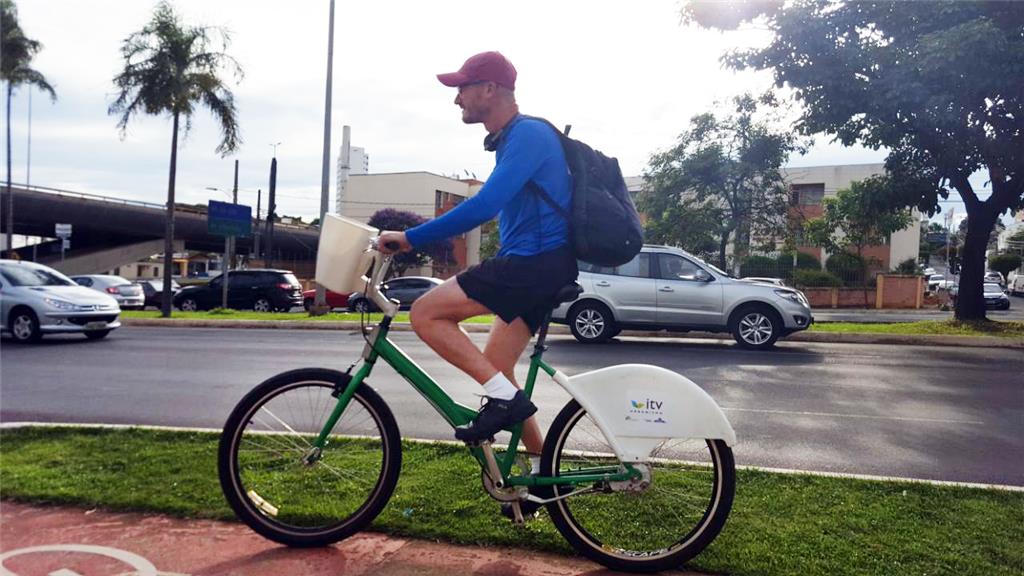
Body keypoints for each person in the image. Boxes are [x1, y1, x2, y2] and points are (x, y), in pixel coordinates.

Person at [377, 51, 576, 492]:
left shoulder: (528, 135)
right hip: (539, 266)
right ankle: (545, 475)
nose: (457, 100)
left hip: (532, 265)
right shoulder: (514, 139)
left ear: (489, 89)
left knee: (425, 314)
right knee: (497, 373)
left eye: (462, 89)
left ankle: (507, 407)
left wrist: (409, 237)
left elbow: (484, 205)